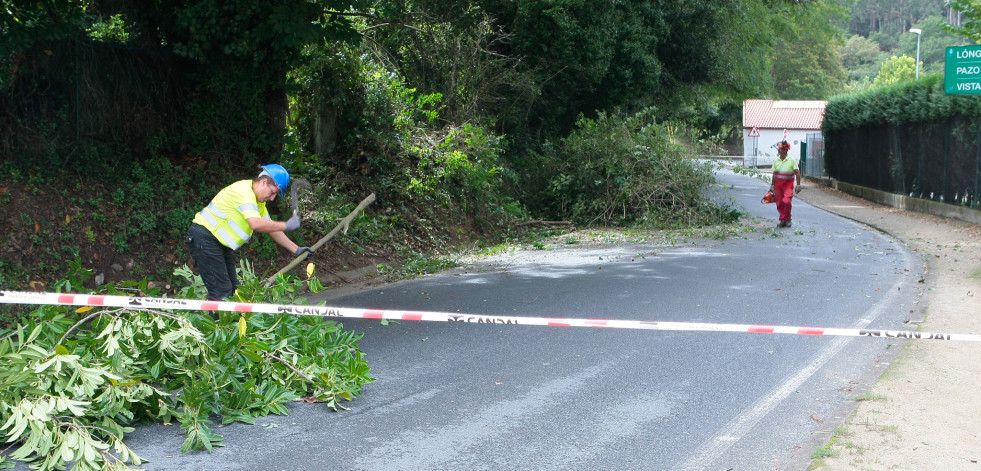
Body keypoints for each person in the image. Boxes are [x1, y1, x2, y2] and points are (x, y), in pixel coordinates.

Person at [185, 164, 312, 307]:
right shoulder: (243, 191)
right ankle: (217, 327)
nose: (272, 198)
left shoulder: (258, 203)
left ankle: (232, 325)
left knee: (234, 290)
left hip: (217, 243)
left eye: (275, 195)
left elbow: (271, 228)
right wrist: (286, 225)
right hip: (205, 238)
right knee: (221, 291)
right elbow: (256, 224)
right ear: (264, 182)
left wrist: (296, 249)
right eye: (273, 192)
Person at [770, 140, 803, 228]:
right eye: (779, 148)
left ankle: (788, 218)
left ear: (785, 150)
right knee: (779, 203)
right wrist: (772, 185)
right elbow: (775, 174)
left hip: (788, 185)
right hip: (778, 186)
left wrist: (798, 185)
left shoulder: (791, 160)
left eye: (780, 148)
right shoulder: (777, 160)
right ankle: (783, 219)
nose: (778, 150)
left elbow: (797, 172)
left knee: (786, 201)